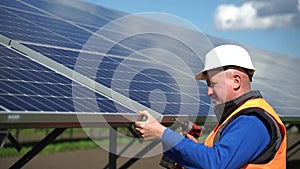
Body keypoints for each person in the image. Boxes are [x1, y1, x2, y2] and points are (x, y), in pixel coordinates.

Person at [135, 44, 286, 169]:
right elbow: (217, 159)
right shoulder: (236, 117)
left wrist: (162, 133)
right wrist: (191, 151)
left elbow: (216, 163)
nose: (208, 92)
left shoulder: (252, 120)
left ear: (236, 81)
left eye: (212, 84)